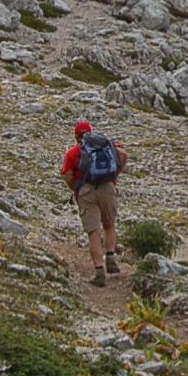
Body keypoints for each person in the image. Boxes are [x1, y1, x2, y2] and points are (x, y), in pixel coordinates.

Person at [60, 120, 127, 287]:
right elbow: (124, 155)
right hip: (108, 187)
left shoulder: (73, 152)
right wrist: (114, 176)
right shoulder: (107, 145)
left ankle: (99, 272)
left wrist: (76, 189)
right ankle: (110, 256)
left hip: (86, 192)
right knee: (109, 225)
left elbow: (67, 176)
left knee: (93, 232)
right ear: (91, 132)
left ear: (76, 136)